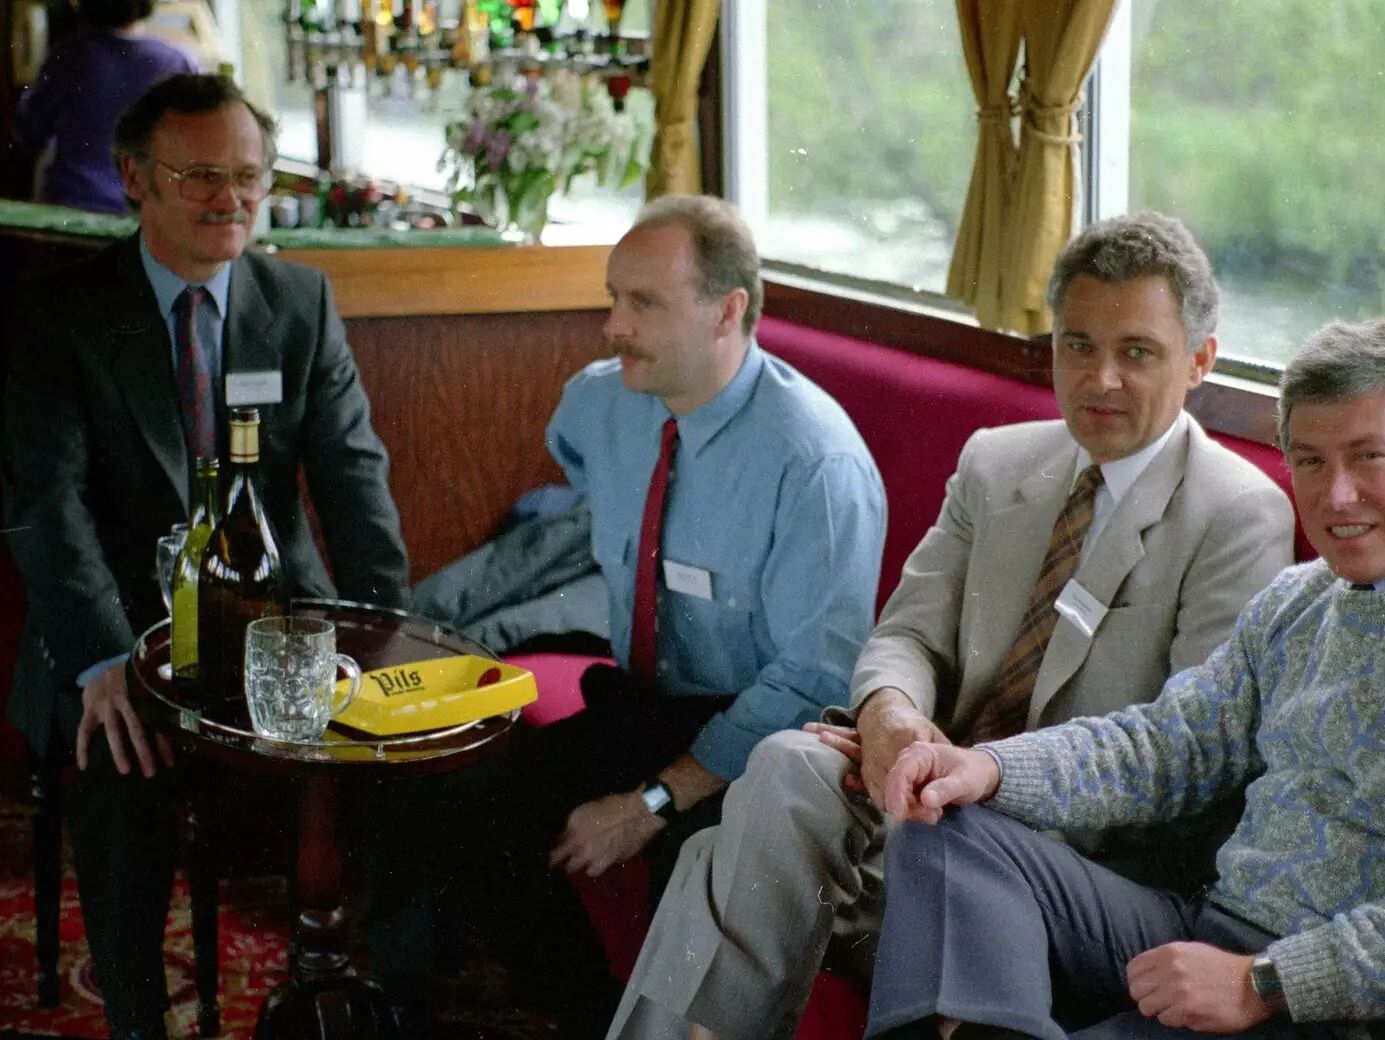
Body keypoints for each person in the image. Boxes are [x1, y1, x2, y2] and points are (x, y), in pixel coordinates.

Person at [608, 211, 1298, 1040]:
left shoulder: (1238, 511)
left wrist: (977, 769)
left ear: (1200, 362)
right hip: (927, 800)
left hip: (1069, 857)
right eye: (1077, 345)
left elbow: (1188, 753)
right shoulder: (997, 462)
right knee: (787, 764)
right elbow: (904, 636)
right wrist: (891, 717)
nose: (1100, 378)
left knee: (715, 856)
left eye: (1137, 352)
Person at [866, 317, 1385, 1040]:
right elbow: (1164, 747)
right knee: (947, 825)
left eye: (1368, 457)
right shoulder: (1302, 599)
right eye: (1309, 461)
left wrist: (1267, 982)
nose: (1335, 495)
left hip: (1346, 1010)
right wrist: (987, 767)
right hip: (1210, 933)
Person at [358, 193, 888, 1032]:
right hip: (640, 697)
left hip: (763, 733)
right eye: (613, 296)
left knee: (696, 862)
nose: (613, 324)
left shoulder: (814, 462)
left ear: (728, 310)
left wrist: (646, 805)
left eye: (644, 303)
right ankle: (584, 1012)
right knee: (462, 802)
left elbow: (816, 677)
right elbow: (578, 468)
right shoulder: (600, 402)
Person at [1, 73, 409, 1040]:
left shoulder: (299, 301)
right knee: (123, 758)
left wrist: (384, 627)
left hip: (269, 628)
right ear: (135, 180)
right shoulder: (57, 314)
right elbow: (44, 509)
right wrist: (100, 660)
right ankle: (139, 1018)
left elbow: (353, 477)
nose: (232, 200)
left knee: (394, 761)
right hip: (114, 631)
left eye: (249, 177)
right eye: (201, 178)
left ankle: (394, 997)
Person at [5, 0, 199, 212]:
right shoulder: (179, 63)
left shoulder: (67, 58)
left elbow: (27, 132)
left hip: (71, 209)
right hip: (145, 216)